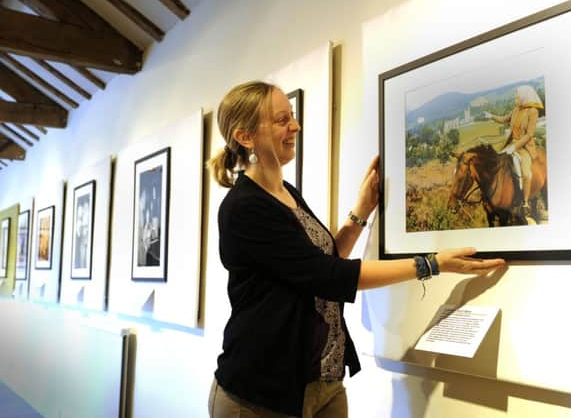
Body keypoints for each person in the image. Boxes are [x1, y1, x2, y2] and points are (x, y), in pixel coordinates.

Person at [207, 81, 505, 418]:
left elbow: (320, 261)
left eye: (292, 116)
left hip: (323, 383)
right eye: (281, 120)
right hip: (261, 395)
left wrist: (361, 211)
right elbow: (327, 275)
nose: (295, 126)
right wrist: (431, 264)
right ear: (245, 137)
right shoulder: (244, 207)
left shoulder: (286, 192)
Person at [483, 85, 544, 216]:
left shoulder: (532, 112)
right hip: (511, 144)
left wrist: (515, 147)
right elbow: (504, 119)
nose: (515, 98)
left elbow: (529, 134)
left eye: (517, 96)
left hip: (524, 147)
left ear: (524, 97)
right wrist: (491, 116)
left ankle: (526, 202)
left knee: (526, 174)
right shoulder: (516, 109)